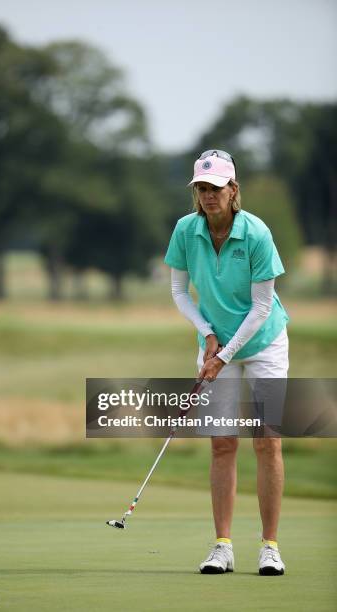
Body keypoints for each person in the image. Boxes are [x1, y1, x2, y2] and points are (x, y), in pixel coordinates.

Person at [164, 149, 289, 576]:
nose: (208, 196)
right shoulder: (186, 230)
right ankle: (222, 546)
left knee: (267, 440)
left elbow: (261, 307)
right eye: (201, 188)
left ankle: (269, 546)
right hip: (216, 342)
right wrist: (208, 335)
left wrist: (223, 354)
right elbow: (180, 292)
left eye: (216, 188)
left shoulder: (256, 233)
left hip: (264, 343)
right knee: (222, 442)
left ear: (233, 190)